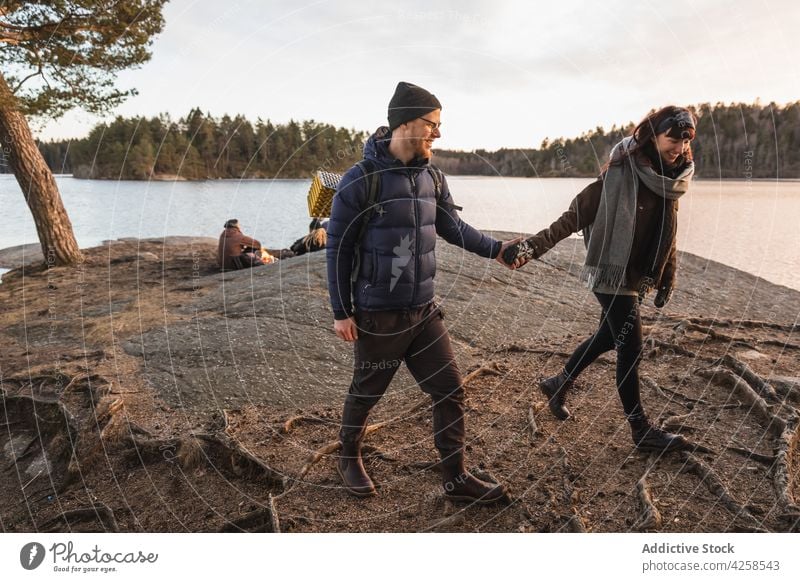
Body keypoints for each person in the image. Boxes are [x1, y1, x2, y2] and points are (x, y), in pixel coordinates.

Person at [326, 81, 521, 502]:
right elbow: (337, 250)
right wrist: (342, 311)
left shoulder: (433, 176)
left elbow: (451, 227)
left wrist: (497, 251)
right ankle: (347, 456)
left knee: (449, 390)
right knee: (366, 392)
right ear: (405, 123)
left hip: (425, 311)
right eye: (432, 124)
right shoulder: (360, 181)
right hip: (380, 314)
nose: (437, 133)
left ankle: (455, 480)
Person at [507, 106, 697, 452]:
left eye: (685, 142)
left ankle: (559, 383)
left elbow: (667, 234)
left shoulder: (672, 180)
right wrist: (530, 248)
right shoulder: (621, 171)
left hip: (636, 275)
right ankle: (641, 429)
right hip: (610, 271)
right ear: (652, 135)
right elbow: (573, 216)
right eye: (673, 139)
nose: (679, 148)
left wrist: (667, 276)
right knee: (630, 345)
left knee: (609, 337)